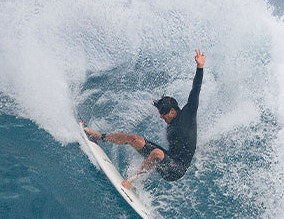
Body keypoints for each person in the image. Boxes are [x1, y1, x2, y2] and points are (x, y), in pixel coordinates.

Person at [85, 49, 206, 189]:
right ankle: (99, 136)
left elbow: (195, 89)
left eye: (163, 114)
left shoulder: (189, 113)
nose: (161, 117)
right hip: (166, 157)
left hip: (176, 170)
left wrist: (200, 66)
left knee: (157, 153)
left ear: (173, 111)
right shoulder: (170, 121)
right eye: (160, 113)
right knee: (134, 138)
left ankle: (131, 182)